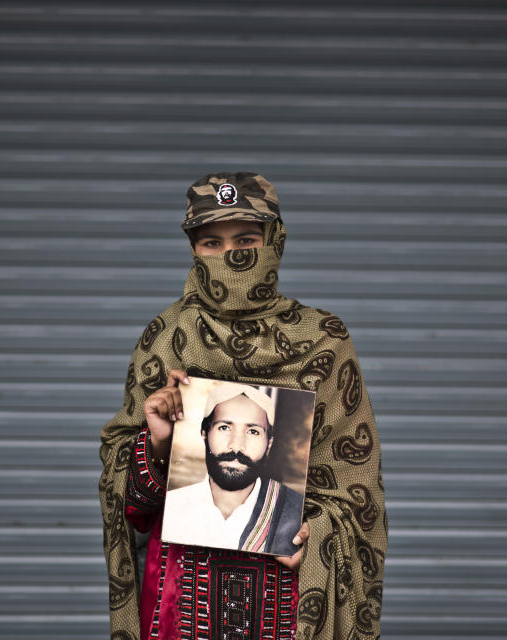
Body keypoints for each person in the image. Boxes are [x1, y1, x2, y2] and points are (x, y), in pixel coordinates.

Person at [99, 171, 387, 640]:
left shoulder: (323, 341)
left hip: (286, 603)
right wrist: (158, 439)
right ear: (193, 248)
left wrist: (313, 539)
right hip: (179, 608)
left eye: (246, 238)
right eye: (211, 242)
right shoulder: (167, 337)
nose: (230, 255)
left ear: (275, 241)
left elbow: (357, 491)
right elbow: (129, 504)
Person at [160, 381, 304, 556]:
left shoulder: (295, 512)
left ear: (269, 445)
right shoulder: (173, 507)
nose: (236, 446)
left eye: (253, 431)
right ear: (204, 435)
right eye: (224, 427)